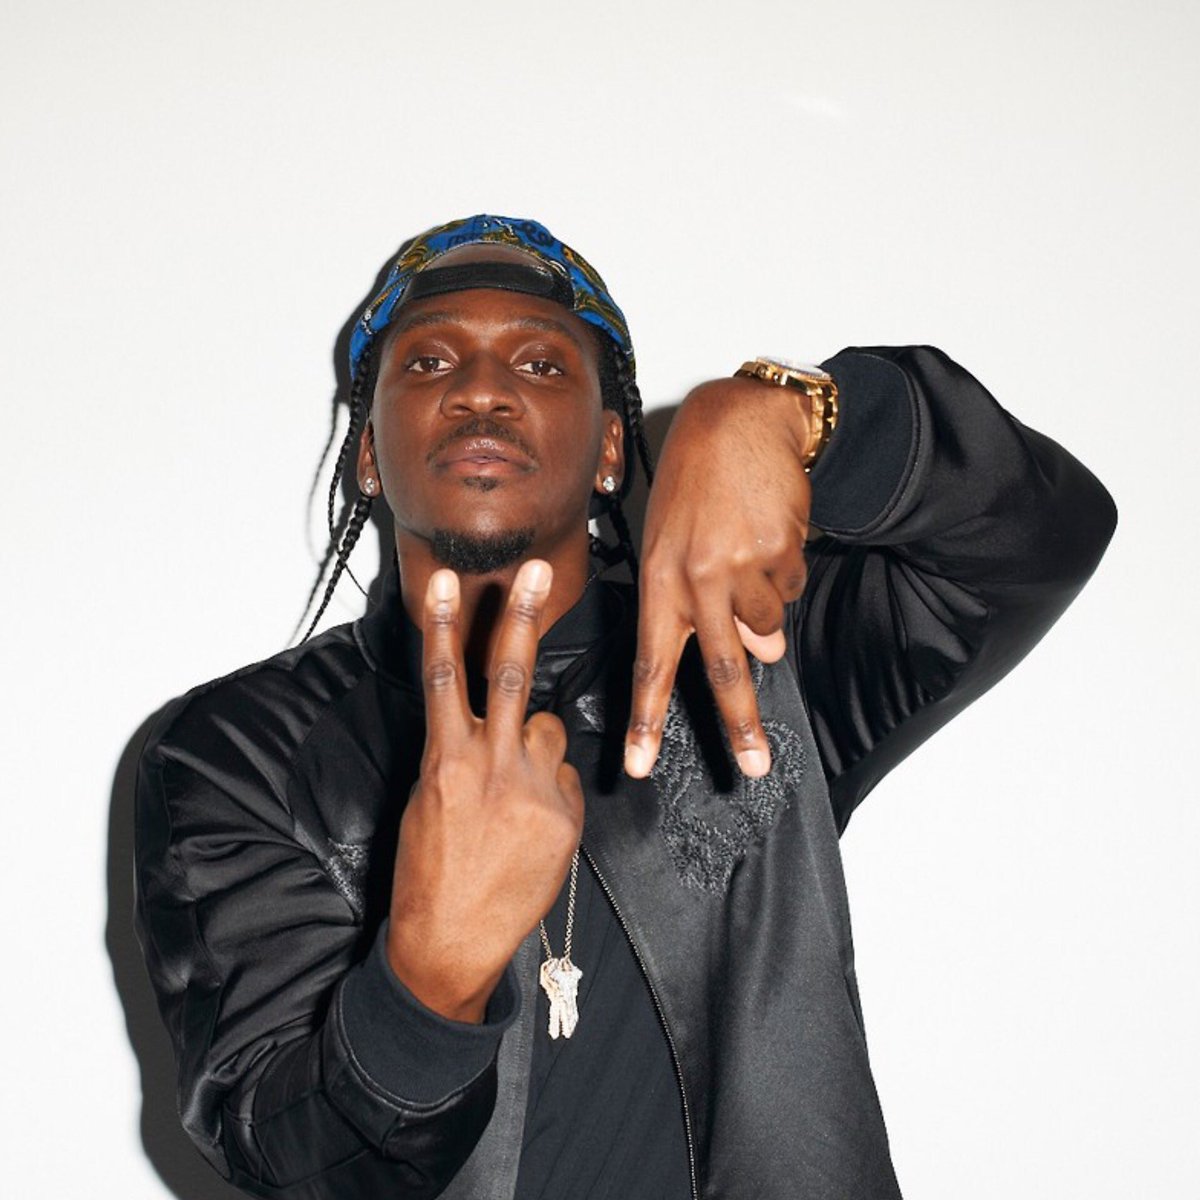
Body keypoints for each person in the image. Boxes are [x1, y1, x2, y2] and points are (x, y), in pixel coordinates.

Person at [134, 214, 1117, 1200]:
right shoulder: (238, 751)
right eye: (429, 362)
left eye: (540, 365)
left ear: (612, 449)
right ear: (367, 456)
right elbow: (282, 1153)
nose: (481, 390)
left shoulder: (750, 654)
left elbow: (1041, 536)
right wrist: (425, 980)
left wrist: (794, 417)